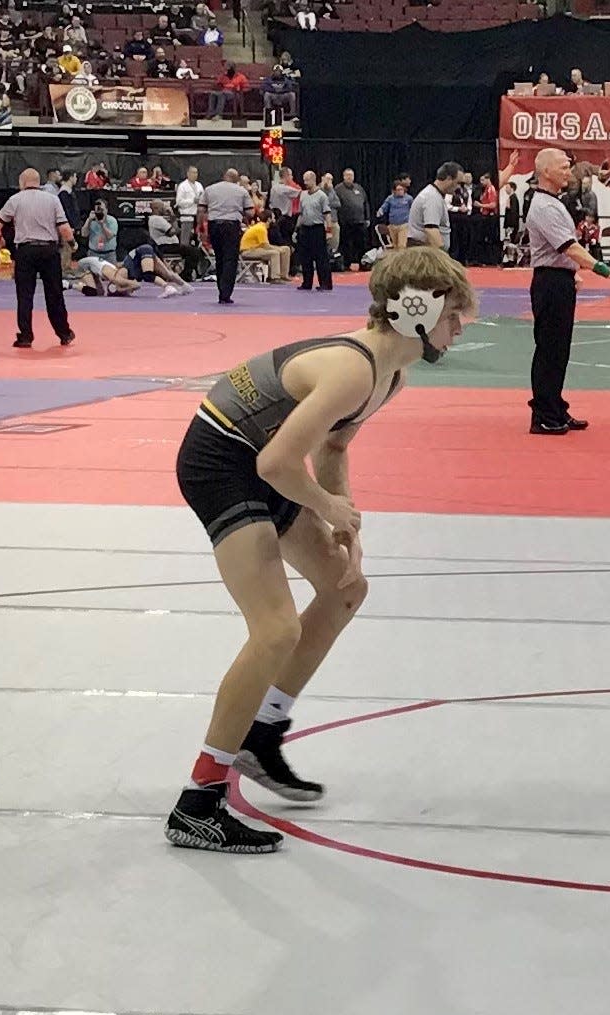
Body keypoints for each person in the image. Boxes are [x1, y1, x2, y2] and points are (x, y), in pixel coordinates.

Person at [164, 247, 476, 852]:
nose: (460, 329)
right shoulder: (354, 369)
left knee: (344, 588)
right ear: (417, 310)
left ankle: (263, 730)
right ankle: (198, 803)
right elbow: (277, 462)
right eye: (454, 315)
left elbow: (329, 452)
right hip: (222, 461)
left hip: (260, 461)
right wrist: (328, 508)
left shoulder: (390, 375)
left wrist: (345, 530)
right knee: (275, 629)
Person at [525, 148, 610, 435]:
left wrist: (571, 272)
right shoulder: (545, 206)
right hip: (550, 282)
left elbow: (566, 250)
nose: (569, 172)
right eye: (563, 167)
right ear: (546, 171)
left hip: (559, 278)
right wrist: (605, 271)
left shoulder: (553, 202)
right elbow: (568, 247)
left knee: (559, 349)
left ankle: (555, 406)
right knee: (550, 349)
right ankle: (544, 414)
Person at [0, 168, 76, 349]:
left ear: (22, 182)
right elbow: (64, 228)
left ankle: (25, 336)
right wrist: (73, 244)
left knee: (24, 295)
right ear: (38, 182)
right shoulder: (52, 199)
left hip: (25, 251)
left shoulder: (16, 199)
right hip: (49, 250)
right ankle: (64, 333)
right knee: (55, 294)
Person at [200, 167, 256, 304]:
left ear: (224, 176)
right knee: (230, 259)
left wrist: (202, 229)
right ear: (236, 179)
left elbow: (201, 209)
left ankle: (221, 289)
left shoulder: (210, 189)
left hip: (214, 225)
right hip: (231, 226)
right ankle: (225, 293)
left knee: (219, 258)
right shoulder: (241, 191)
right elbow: (250, 212)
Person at [407, 162, 462, 252]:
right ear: (448, 179)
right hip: (424, 253)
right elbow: (431, 230)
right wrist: (443, 257)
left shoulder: (434, 195)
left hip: (424, 250)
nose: (459, 187)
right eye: (458, 183)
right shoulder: (432, 197)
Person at [148, 199, 207, 279]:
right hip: (165, 246)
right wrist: (172, 216)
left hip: (170, 245)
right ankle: (186, 275)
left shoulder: (158, 219)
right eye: (162, 207)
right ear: (156, 208)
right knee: (194, 252)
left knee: (192, 250)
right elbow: (174, 231)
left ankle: (187, 273)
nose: (165, 209)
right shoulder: (157, 219)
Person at [295, 170, 332, 291]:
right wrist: (296, 229)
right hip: (305, 228)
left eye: (307, 180)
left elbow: (327, 214)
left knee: (321, 258)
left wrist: (329, 230)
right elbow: (301, 214)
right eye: (304, 180)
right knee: (305, 258)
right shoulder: (303, 195)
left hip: (317, 229)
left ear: (313, 180)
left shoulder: (322, 196)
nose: (305, 182)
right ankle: (307, 282)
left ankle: (325, 283)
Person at [115, 243, 192, 297]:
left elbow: (136, 285)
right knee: (167, 273)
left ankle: (167, 287)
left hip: (142, 251)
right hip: (145, 251)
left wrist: (124, 289)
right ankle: (186, 286)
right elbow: (134, 288)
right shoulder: (129, 271)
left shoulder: (120, 275)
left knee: (148, 275)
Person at [240, 209, 291, 281]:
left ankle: (284, 275)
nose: (275, 219)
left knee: (286, 249)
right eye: (273, 217)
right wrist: (278, 249)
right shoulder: (261, 229)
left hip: (255, 249)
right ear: (269, 219)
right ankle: (274, 277)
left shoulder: (262, 227)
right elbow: (265, 246)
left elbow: (264, 245)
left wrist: (280, 249)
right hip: (248, 251)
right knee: (274, 253)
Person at [336, 169, 370, 271]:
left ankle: (362, 263)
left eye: (351, 175)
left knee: (361, 244)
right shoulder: (338, 189)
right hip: (346, 222)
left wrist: (367, 218)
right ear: (343, 176)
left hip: (360, 221)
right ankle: (346, 264)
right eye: (347, 175)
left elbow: (366, 203)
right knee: (346, 245)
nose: (349, 177)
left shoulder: (359, 188)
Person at [63, 255, 140, 296]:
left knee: (101, 293)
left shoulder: (116, 275)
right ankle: (69, 284)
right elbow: (132, 285)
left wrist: (130, 286)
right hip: (83, 266)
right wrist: (133, 284)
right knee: (93, 291)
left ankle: (75, 283)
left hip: (92, 267)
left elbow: (119, 289)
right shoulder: (113, 276)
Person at [376, 180, 414, 250]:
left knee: (401, 245)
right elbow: (384, 206)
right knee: (395, 246)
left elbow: (413, 209)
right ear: (394, 191)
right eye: (398, 190)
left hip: (404, 225)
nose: (400, 191)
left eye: (402, 189)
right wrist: (380, 211)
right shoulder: (390, 198)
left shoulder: (409, 198)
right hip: (393, 226)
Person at [81, 197, 118, 263]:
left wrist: (102, 225)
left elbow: (109, 236)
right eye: (97, 210)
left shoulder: (112, 221)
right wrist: (89, 220)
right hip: (93, 254)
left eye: (102, 210)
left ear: (107, 210)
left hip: (109, 255)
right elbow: (84, 234)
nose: (100, 212)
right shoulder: (91, 220)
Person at [176, 165, 205, 247]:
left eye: (196, 173)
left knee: (198, 239)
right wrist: (192, 201)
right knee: (185, 240)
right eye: (193, 172)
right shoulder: (182, 186)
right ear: (188, 174)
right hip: (187, 216)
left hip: (198, 217)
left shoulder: (199, 185)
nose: (195, 174)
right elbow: (179, 202)